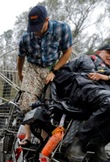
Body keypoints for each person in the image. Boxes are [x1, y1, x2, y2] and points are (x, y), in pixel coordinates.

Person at [17, 5, 73, 145]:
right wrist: (20, 74)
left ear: (47, 20)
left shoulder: (62, 29)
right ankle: (28, 137)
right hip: (33, 67)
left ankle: (44, 139)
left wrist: (54, 71)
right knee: (26, 102)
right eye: (32, 27)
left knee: (51, 104)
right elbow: (21, 58)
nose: (35, 31)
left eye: (38, 26)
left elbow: (67, 52)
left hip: (54, 66)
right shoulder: (26, 37)